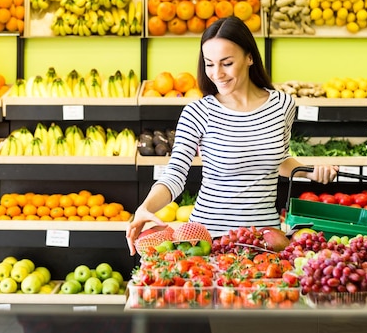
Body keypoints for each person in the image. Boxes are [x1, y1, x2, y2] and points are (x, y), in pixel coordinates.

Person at [126, 16, 338, 255]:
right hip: (207, 240)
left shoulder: (282, 105)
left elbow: (279, 160)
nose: (216, 74)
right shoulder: (198, 112)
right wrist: (145, 208)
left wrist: (309, 172)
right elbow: (174, 175)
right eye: (209, 63)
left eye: (226, 63)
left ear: (249, 57)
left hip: (265, 239)